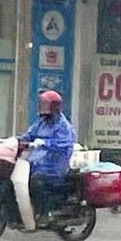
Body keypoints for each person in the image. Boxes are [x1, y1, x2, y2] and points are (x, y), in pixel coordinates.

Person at [18, 89, 77, 221]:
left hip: (54, 168)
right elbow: (29, 134)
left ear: (54, 107)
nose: (43, 108)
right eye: (42, 105)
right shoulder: (42, 122)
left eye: (46, 105)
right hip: (38, 163)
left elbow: (64, 143)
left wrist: (46, 142)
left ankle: (44, 213)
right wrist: (17, 140)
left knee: (36, 182)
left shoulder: (63, 126)